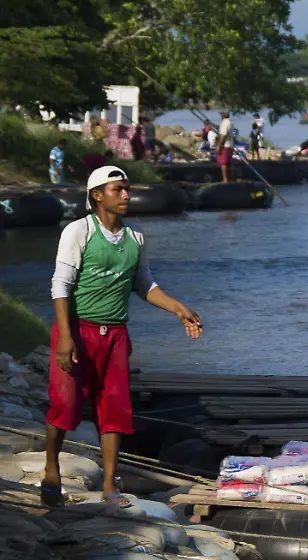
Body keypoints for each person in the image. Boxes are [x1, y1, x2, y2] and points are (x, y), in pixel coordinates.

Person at [43, 166, 202, 507]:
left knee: (113, 409)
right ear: (97, 195)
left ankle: (110, 485)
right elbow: (61, 284)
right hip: (77, 330)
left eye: (127, 189)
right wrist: (66, 338)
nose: (126, 195)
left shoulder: (135, 238)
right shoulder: (79, 231)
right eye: (118, 189)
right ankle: (51, 466)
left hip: (115, 335)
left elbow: (144, 284)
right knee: (65, 403)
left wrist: (178, 308)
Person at [216, 111, 235, 183]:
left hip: (225, 145)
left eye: (221, 115)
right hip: (231, 145)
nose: (220, 116)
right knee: (230, 163)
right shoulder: (230, 122)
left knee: (223, 163)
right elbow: (221, 129)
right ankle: (232, 179)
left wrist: (219, 145)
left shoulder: (224, 122)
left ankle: (225, 180)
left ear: (223, 116)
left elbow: (223, 134)